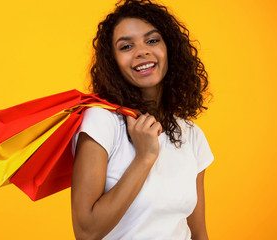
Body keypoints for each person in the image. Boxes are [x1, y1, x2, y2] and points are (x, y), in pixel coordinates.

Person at [71, 0, 214, 239]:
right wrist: (144, 157)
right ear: (113, 62)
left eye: (152, 40)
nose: (141, 51)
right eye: (126, 46)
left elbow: (198, 232)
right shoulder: (102, 121)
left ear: (170, 49)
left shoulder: (192, 134)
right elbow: (86, 232)